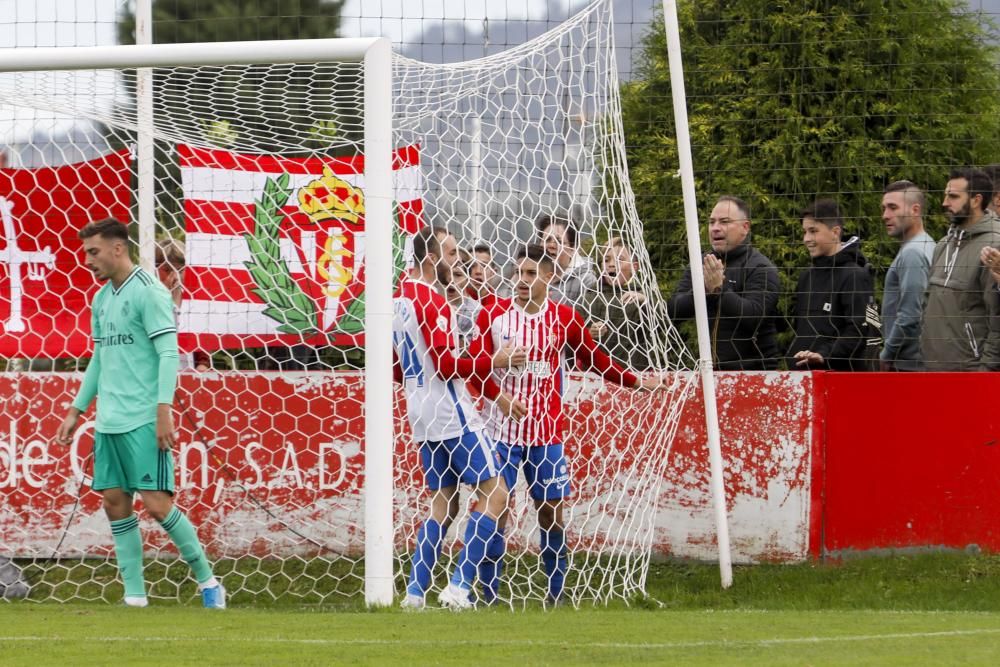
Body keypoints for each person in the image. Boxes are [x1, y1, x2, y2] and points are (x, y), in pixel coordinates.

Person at [468, 244, 661, 606]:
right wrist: (502, 399)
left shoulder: (564, 318)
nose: (522, 281)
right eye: (518, 273)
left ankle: (556, 594)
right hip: (499, 434)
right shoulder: (492, 314)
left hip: (545, 436)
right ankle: (487, 596)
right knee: (497, 514)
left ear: (549, 277)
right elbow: (475, 370)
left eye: (531, 274)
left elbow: (594, 359)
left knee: (551, 516)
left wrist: (635, 381)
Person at [54, 218, 225, 609]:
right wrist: (76, 409)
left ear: (118, 248)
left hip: (145, 416)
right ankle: (135, 595)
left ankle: (208, 582)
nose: (88, 260)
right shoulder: (101, 299)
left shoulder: (150, 293)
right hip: (110, 419)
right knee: (114, 500)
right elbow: (99, 356)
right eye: (85, 253)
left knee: (157, 504)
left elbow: (168, 354)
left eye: (93, 252)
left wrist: (163, 409)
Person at [394, 225, 526, 611]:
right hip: (452, 412)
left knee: (444, 503)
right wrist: (494, 360)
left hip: (419, 412)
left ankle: (415, 594)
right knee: (496, 493)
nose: (458, 262)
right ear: (432, 258)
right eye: (451, 254)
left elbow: (398, 368)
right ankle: (459, 586)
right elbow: (447, 363)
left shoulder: (398, 301)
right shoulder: (431, 302)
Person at [667, 196, 781, 370]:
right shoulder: (701, 263)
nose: (715, 228)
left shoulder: (760, 267)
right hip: (706, 373)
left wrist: (720, 289)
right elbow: (673, 310)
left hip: (755, 373)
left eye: (724, 222)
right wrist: (704, 290)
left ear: (745, 227)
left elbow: (753, 317)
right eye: (711, 222)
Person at [920, 168, 1000, 371]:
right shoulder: (943, 245)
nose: (945, 202)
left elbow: (997, 318)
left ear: (976, 200)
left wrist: (986, 372)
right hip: (933, 371)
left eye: (953, 196)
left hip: (970, 375)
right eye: (946, 195)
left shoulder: (993, 246)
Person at [786, 199, 875, 371]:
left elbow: (861, 330)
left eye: (813, 231)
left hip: (842, 378)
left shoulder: (855, 275)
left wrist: (824, 355)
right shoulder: (806, 276)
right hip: (804, 377)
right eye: (804, 232)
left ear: (835, 232)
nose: (806, 239)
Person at [878, 181, 936, 371]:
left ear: (915, 210)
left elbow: (910, 314)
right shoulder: (928, 244)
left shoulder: (913, 253)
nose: (885, 215)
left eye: (893, 208)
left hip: (908, 365)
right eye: (884, 208)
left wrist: (887, 354)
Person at [588, 237, 654, 370]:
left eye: (620, 259)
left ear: (634, 267)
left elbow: (661, 324)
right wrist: (589, 333)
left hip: (635, 375)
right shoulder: (590, 296)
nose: (612, 264)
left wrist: (646, 301)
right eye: (606, 260)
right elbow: (574, 336)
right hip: (596, 375)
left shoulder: (644, 296)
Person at [155, 239, 211, 371]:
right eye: (167, 269)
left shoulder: (193, 303)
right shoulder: (149, 301)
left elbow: (202, 346)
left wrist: (202, 366)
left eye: (180, 270)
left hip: (189, 374)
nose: (174, 276)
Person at [537, 215, 597, 314]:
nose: (551, 245)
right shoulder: (528, 275)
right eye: (547, 240)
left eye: (558, 241)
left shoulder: (587, 281)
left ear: (572, 248)